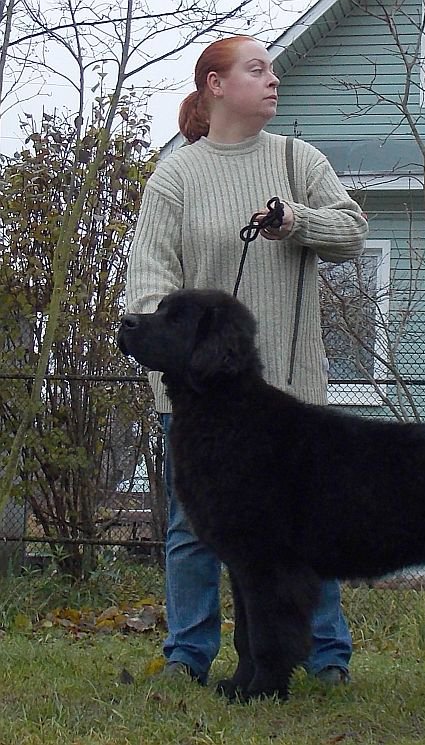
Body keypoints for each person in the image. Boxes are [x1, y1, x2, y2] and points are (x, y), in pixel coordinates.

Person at [125, 35, 368, 686]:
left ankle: (324, 659)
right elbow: (146, 284)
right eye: (256, 69)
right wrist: (179, 357)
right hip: (200, 399)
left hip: (291, 397)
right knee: (191, 529)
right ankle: (187, 658)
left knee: (306, 528)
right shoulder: (176, 175)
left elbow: (351, 232)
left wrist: (299, 222)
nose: (273, 79)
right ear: (215, 85)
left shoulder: (298, 160)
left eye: (273, 70)